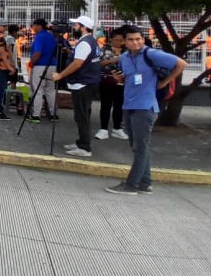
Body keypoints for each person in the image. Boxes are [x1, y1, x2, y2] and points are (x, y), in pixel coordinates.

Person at [105, 26, 187, 195]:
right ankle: (145, 184)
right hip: (129, 105)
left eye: (138, 39)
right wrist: (120, 78)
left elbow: (181, 64)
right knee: (137, 147)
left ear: (143, 39)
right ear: (124, 42)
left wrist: (165, 82)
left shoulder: (151, 54)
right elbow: (131, 77)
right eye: (131, 39)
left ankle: (131, 186)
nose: (136, 42)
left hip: (145, 107)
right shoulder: (125, 58)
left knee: (140, 148)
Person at [53, 15, 102, 157]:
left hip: (82, 84)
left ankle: (85, 147)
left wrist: (60, 75)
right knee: (82, 115)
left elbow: (77, 63)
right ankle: (81, 142)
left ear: (83, 27)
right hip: (88, 83)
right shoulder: (91, 41)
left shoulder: (85, 43)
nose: (74, 27)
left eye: (76, 25)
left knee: (82, 117)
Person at [97, 28, 127, 140]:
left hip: (122, 81)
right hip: (107, 80)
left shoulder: (126, 50)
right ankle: (103, 129)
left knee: (119, 105)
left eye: (120, 40)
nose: (118, 42)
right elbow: (100, 62)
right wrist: (112, 60)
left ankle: (117, 128)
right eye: (116, 40)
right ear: (111, 39)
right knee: (106, 105)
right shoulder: (105, 48)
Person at [27, 19, 58, 123]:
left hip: (40, 66)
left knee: (37, 90)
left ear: (39, 26)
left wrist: (31, 63)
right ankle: (54, 114)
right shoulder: (50, 36)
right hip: (52, 65)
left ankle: (36, 115)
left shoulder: (39, 36)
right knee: (50, 89)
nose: (32, 28)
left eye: (33, 26)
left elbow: (38, 53)